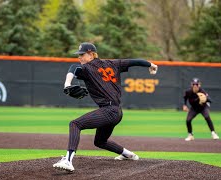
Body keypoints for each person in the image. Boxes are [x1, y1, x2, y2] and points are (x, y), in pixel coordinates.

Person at [52, 42, 158, 172]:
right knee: (100, 141)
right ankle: (128, 154)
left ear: (91, 54)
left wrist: (67, 84)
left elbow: (73, 68)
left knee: (75, 124)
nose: (79, 57)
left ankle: (68, 160)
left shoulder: (87, 68)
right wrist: (150, 64)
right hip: (117, 112)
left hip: (108, 111)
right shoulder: (113, 63)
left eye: (82, 54)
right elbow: (134, 61)